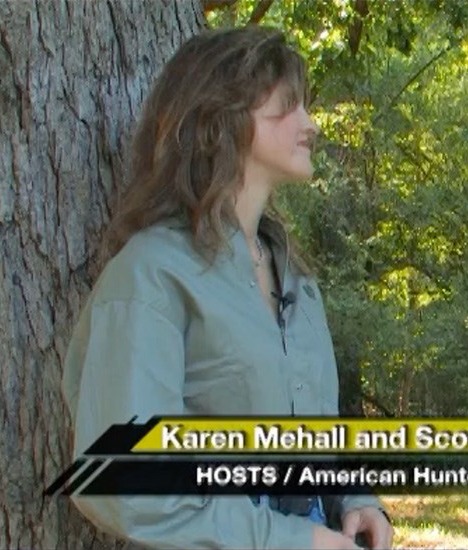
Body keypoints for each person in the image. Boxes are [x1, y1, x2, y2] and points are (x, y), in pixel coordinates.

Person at [62, 27, 393, 549]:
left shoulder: (297, 281)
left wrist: (354, 500)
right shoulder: (151, 275)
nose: (309, 124)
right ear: (223, 118)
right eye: (288, 104)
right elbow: (123, 480)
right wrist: (290, 541)